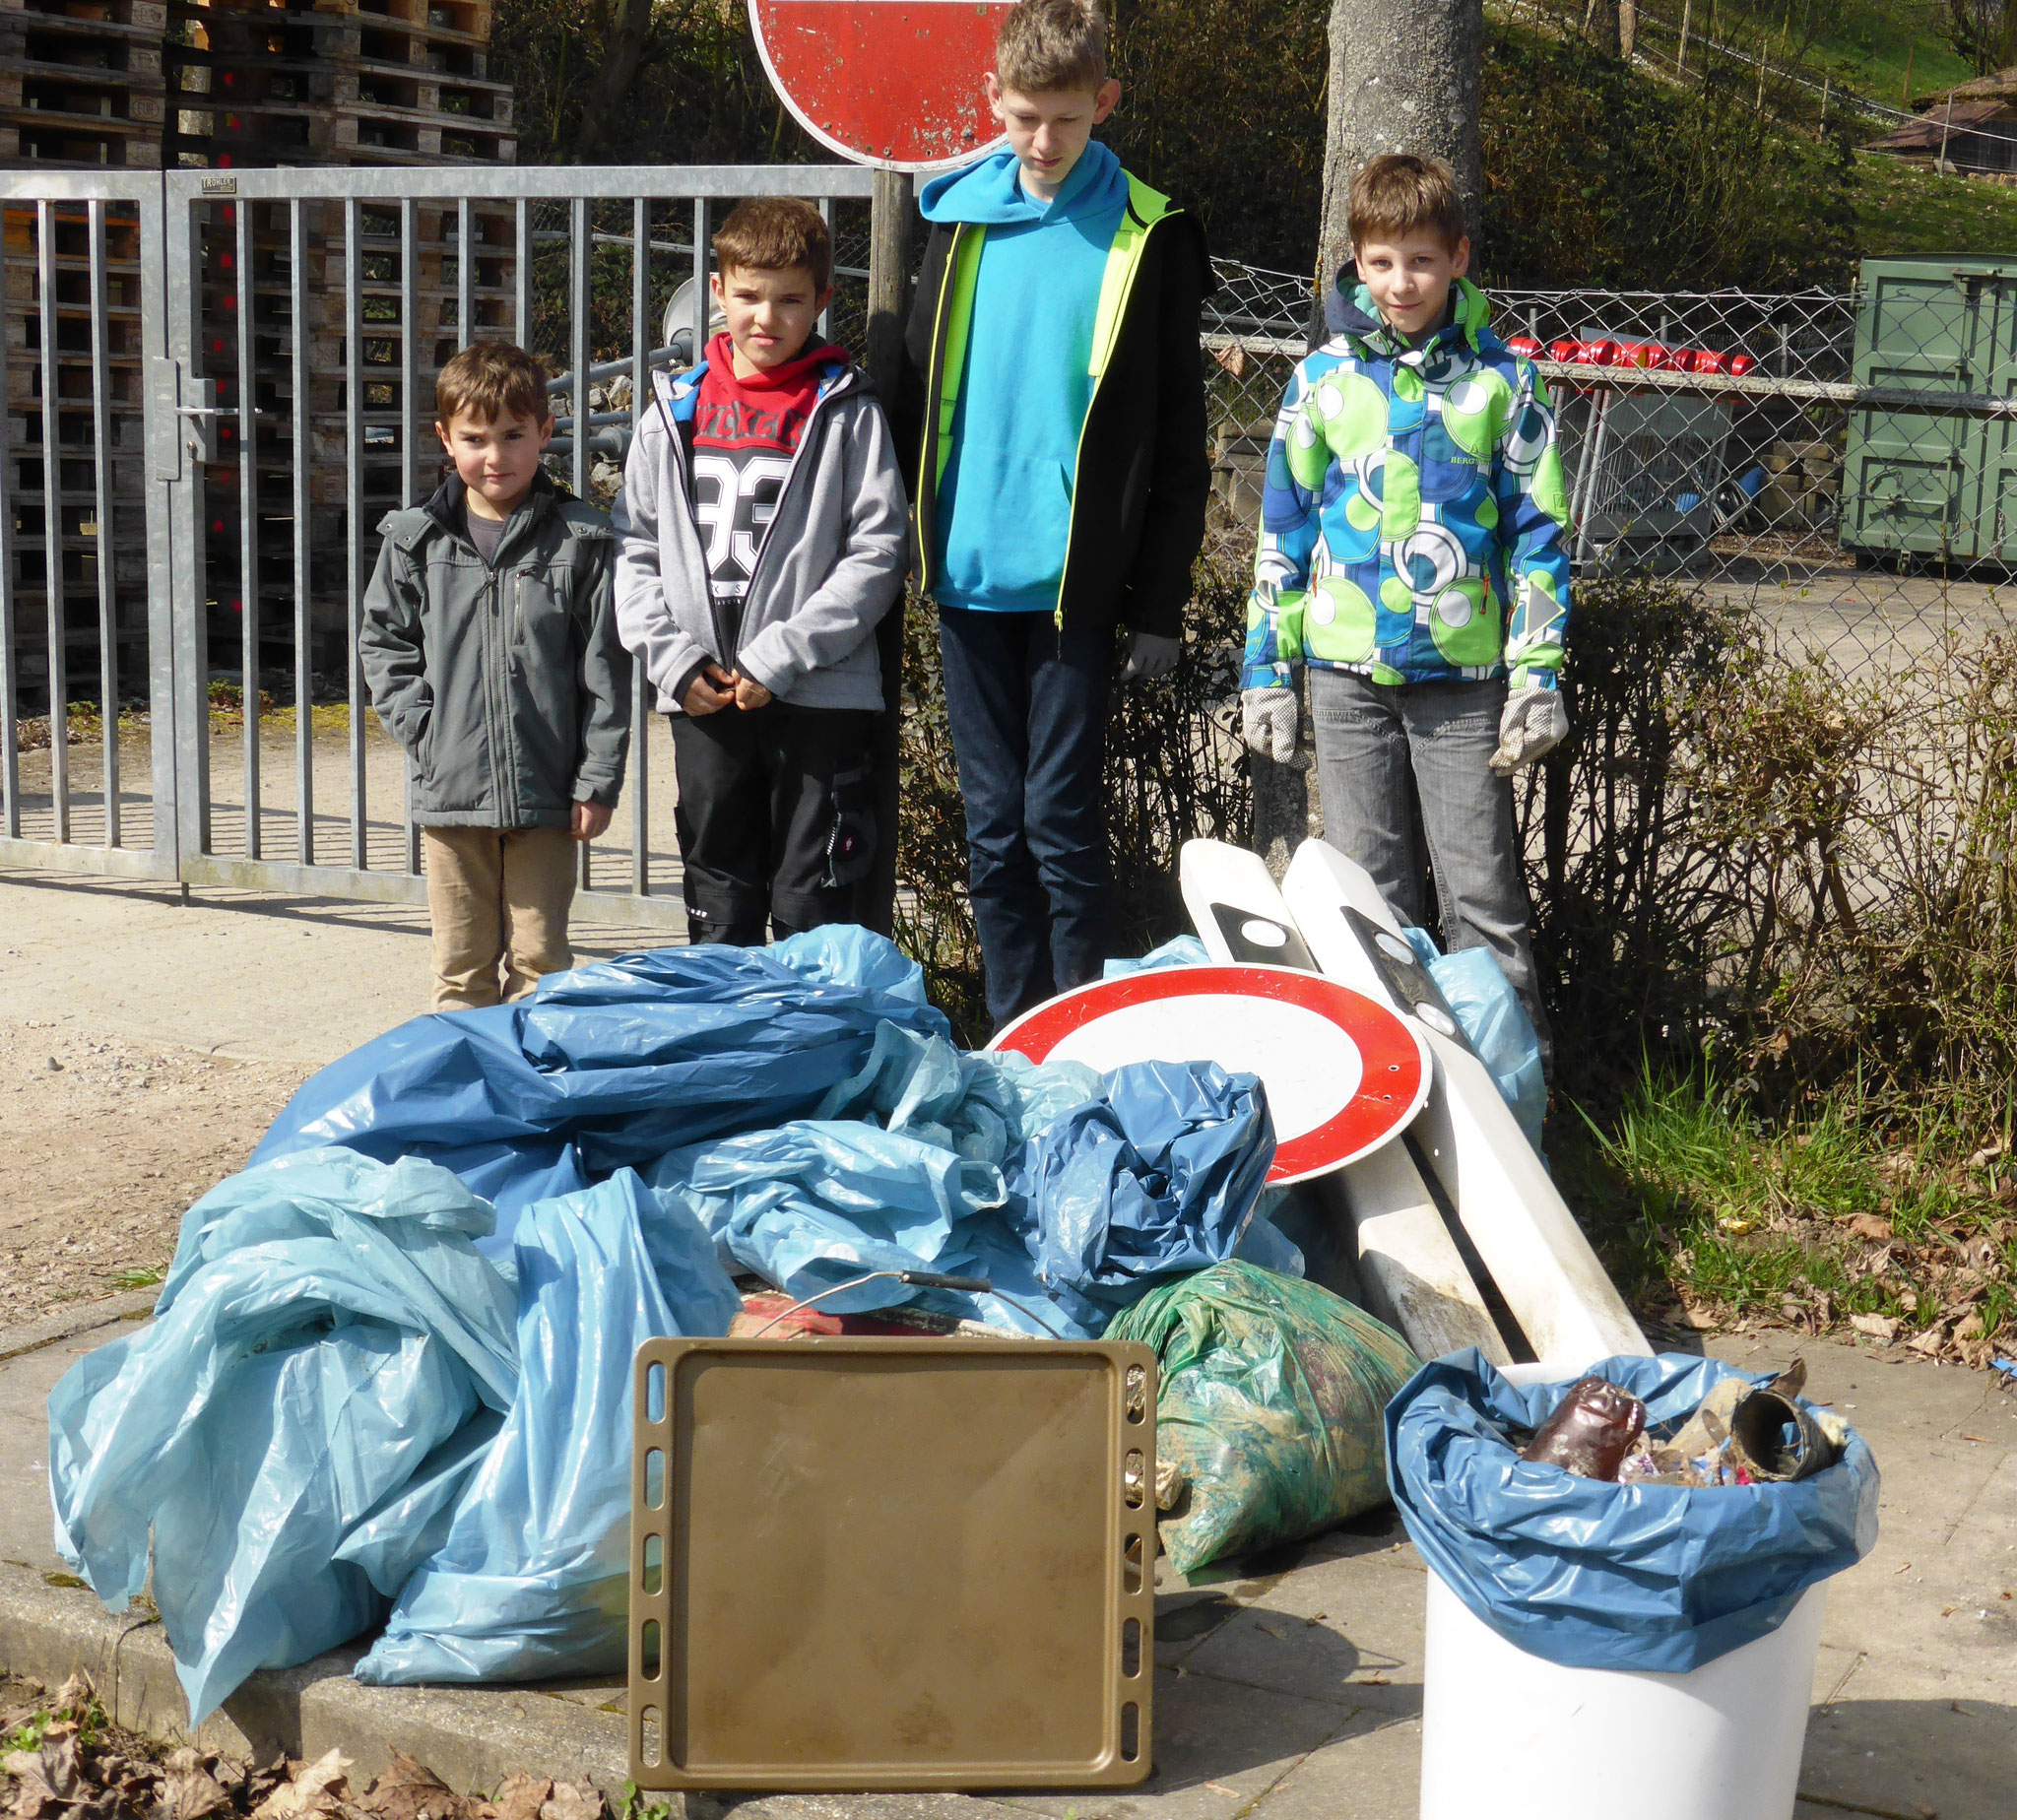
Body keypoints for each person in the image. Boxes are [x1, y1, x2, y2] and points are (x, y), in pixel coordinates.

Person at [894, 0, 1210, 1030]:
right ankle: (1012, 1043)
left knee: (1060, 824)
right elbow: (900, 394)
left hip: (1077, 585)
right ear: (991, 101)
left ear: (1104, 104)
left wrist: (1157, 606)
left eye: (1065, 120)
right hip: (967, 573)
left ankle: (1082, 1039)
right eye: (1023, 117)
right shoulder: (948, 217)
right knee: (993, 829)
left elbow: (1176, 437)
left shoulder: (1149, 231)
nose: (1041, 140)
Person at [1238, 152, 1571, 1064]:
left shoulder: (1505, 385)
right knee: (1367, 907)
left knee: (1484, 904)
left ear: (1458, 258)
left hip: (1463, 690)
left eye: (1421, 261)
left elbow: (1540, 536)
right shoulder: (1322, 384)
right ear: (1355, 262)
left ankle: (1514, 1113)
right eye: (1381, 262)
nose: (1401, 282)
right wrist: (1266, 670)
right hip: (1345, 684)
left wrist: (1537, 674)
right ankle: (1391, 1119)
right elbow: (1283, 532)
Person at [614, 196, 908, 947]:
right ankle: (727, 1058)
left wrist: (779, 655)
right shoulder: (670, 410)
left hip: (818, 694)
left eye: (789, 300)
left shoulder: (846, 410)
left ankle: (815, 1060)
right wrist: (674, 662)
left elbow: (878, 553)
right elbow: (633, 547)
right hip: (704, 695)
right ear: (717, 292)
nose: (765, 318)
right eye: (746, 295)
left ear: (823, 300)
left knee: (815, 906)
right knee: (719, 898)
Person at [359, 340, 630, 1011]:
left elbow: (607, 671)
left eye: (513, 436)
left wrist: (596, 780)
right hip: (451, 797)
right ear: (445, 439)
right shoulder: (414, 541)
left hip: (547, 795)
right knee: (461, 970)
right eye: (475, 438)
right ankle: (470, 1105)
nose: (495, 456)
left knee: (543, 965)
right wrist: (424, 731)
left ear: (545, 431)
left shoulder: (581, 541)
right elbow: (382, 643)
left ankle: (538, 1099)